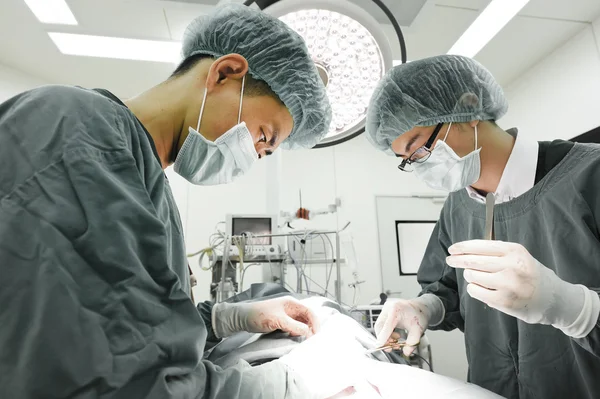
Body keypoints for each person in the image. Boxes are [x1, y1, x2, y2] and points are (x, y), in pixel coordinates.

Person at [0, 3, 350, 398]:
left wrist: (224, 321)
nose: (252, 156)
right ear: (225, 72)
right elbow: (116, 373)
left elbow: (143, 328)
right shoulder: (74, 127)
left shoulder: (143, 179)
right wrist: (286, 389)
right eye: (263, 137)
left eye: (264, 153)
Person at [365, 55, 600, 399]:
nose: (417, 165)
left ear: (469, 108)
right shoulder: (457, 207)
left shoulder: (589, 175)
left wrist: (573, 309)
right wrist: (425, 308)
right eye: (406, 160)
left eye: (419, 147)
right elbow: (449, 288)